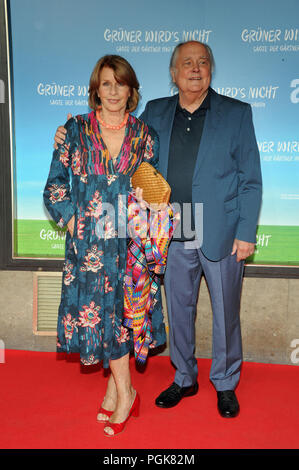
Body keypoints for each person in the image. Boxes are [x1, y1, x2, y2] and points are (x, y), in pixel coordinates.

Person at [53, 41, 263, 418]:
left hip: (221, 228)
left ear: (211, 69)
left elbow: (250, 180)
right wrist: (65, 136)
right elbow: (116, 141)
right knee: (178, 309)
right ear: (173, 73)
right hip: (169, 227)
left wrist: (246, 231)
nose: (195, 69)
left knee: (225, 311)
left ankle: (226, 382)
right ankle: (184, 377)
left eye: (202, 62)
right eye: (186, 63)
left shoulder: (237, 113)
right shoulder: (155, 113)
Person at [44, 55, 168, 437]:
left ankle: (119, 389)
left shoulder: (146, 136)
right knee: (101, 317)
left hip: (130, 246)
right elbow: (55, 187)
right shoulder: (75, 131)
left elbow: (151, 191)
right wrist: (74, 222)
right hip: (89, 250)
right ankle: (125, 390)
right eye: (106, 84)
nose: (113, 91)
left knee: (125, 316)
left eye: (121, 83)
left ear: (132, 90)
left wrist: (151, 223)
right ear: (96, 89)